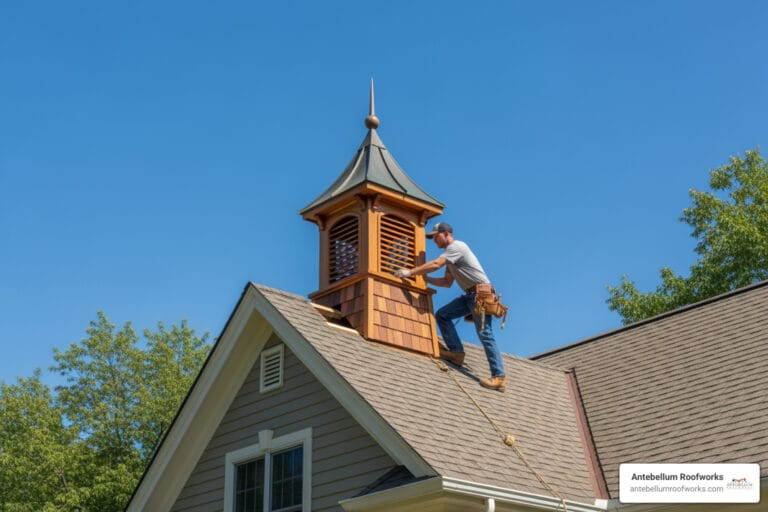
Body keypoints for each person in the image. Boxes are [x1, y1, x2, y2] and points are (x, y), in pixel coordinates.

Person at [394, 222, 506, 390]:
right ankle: (456, 353)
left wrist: (410, 272)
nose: (434, 241)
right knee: (442, 315)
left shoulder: (457, 247)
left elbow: (436, 264)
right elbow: (446, 282)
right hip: (470, 296)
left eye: (436, 237)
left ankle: (499, 376)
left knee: (485, 334)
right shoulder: (451, 258)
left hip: (481, 295)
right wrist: (425, 279)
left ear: (446, 234)